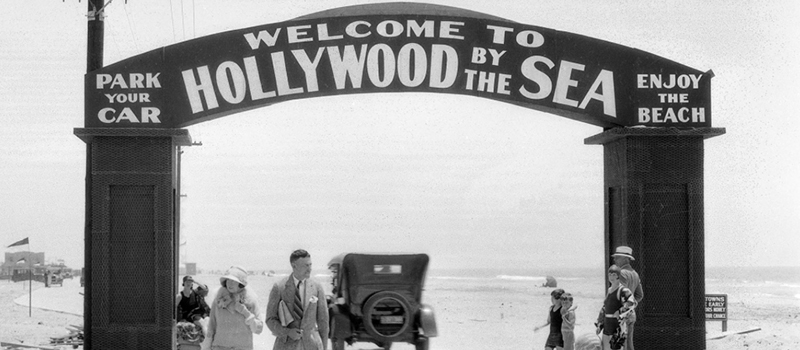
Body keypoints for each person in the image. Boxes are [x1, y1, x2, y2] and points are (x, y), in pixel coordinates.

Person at [266, 249, 329, 350]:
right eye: (306, 265)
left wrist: (324, 347)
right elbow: (270, 319)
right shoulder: (279, 287)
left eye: (310, 265)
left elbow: (323, 322)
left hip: (311, 345)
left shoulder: (317, 287)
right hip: (286, 345)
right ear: (294, 266)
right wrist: (287, 332)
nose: (309, 269)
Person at [207, 266, 264, 350]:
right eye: (228, 280)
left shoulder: (250, 301)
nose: (230, 284)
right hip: (219, 347)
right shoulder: (218, 300)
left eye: (234, 281)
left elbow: (259, 329)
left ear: (241, 284)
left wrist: (246, 313)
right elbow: (211, 326)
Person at [596, 265, 636, 350]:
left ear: (618, 275)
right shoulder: (609, 290)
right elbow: (605, 308)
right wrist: (600, 324)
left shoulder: (623, 290)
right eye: (610, 274)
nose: (611, 277)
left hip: (617, 327)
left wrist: (620, 311)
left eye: (614, 274)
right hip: (607, 327)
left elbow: (631, 303)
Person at [612, 246, 643, 350]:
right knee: (629, 342)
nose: (614, 259)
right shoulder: (635, 274)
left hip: (621, 314)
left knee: (618, 343)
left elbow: (621, 294)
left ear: (625, 259)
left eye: (617, 257)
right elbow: (639, 295)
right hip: (631, 313)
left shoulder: (621, 273)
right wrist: (631, 305)